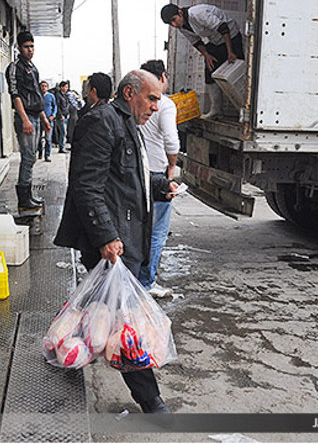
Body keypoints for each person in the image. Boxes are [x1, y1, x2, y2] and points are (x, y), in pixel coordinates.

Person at [54, 70, 178, 414]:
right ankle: (150, 400)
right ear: (129, 93)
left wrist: (158, 185)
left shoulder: (127, 125)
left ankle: (67, 351)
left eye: (158, 99)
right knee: (126, 323)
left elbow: (127, 177)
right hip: (113, 244)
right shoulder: (102, 122)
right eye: (151, 98)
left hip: (125, 241)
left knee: (97, 309)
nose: (156, 106)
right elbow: (86, 185)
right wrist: (106, 236)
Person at [137, 60, 179, 298]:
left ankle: (136, 277)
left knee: (139, 227)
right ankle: (146, 282)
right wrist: (172, 165)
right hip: (157, 173)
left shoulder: (139, 100)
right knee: (157, 231)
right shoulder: (165, 103)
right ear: (162, 76)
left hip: (139, 171)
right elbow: (171, 140)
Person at [161, 3, 244, 119]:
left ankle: (244, 109)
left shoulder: (197, 14)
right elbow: (196, 41)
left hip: (231, 36)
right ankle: (216, 109)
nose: (174, 25)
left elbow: (223, 27)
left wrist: (230, 52)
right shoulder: (181, 26)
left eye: (174, 20)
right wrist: (206, 55)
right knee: (209, 70)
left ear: (180, 12)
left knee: (236, 73)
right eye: (171, 24)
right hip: (216, 41)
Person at [6, 31, 50, 212]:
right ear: (19, 48)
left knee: (32, 158)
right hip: (25, 117)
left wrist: (44, 118)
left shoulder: (33, 68)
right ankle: (23, 199)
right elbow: (15, 95)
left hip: (36, 116)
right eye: (26, 47)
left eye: (32, 46)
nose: (30, 50)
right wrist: (25, 119)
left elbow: (37, 95)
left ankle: (29, 195)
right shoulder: (15, 67)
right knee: (28, 157)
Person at [39, 80, 56, 162]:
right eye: (42, 86)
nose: (44, 88)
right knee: (38, 139)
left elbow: (55, 106)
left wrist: (53, 115)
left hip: (49, 120)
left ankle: (47, 155)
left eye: (45, 86)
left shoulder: (51, 96)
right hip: (39, 120)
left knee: (48, 139)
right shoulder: (38, 96)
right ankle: (40, 152)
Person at [51, 81, 70, 153]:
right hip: (60, 117)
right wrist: (60, 115)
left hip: (66, 116)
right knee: (63, 132)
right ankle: (61, 147)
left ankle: (62, 146)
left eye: (67, 87)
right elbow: (57, 106)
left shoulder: (64, 95)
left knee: (64, 132)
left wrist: (67, 114)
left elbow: (67, 105)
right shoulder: (58, 95)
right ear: (61, 87)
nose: (66, 88)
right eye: (65, 87)